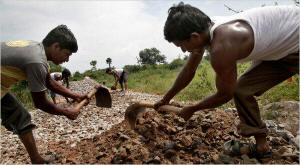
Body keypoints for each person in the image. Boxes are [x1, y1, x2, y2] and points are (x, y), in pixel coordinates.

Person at [154, 2, 299, 159]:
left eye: (182, 45)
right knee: (242, 90)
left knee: (236, 89)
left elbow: (225, 94)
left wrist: (193, 108)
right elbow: (189, 71)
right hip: (280, 49)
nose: (183, 50)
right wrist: (166, 99)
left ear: (194, 36)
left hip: (295, 40)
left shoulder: (222, 45)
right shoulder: (207, 31)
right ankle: (262, 147)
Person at [1, 25, 89, 164]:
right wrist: (66, 112)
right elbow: (40, 103)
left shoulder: (37, 49)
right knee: (20, 116)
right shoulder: (37, 61)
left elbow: (48, 81)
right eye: (66, 54)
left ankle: (37, 160)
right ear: (56, 46)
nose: (67, 60)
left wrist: (75, 96)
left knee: (20, 116)